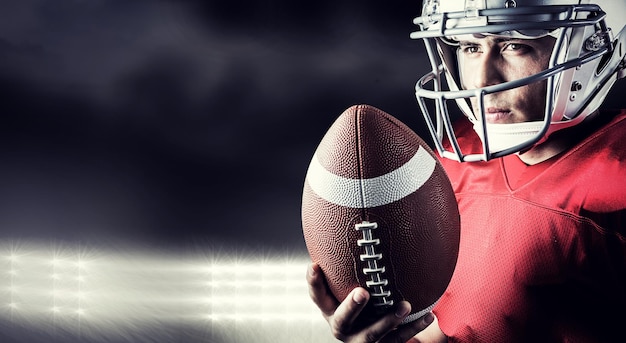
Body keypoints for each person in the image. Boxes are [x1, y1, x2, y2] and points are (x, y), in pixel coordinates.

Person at [307, 0, 626, 342]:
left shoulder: (616, 181)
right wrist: (385, 335)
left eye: (514, 45)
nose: (481, 78)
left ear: (597, 49)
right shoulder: (460, 154)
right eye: (471, 47)